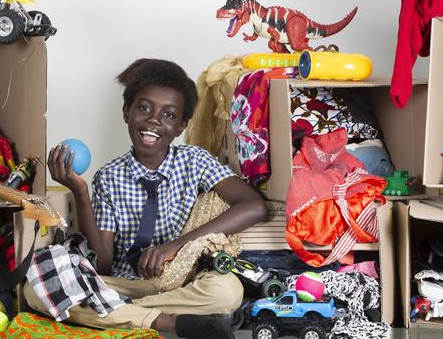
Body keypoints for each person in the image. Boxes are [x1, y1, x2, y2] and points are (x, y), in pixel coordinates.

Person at [24, 59, 268, 339]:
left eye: (169, 114)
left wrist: (174, 246)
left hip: (182, 280)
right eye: (144, 108)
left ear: (181, 126)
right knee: (34, 288)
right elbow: (102, 263)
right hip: (127, 282)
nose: (154, 120)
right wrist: (81, 193)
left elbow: (254, 206)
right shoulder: (109, 176)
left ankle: (111, 313)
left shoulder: (196, 161)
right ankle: (170, 322)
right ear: (127, 112)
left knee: (227, 291)